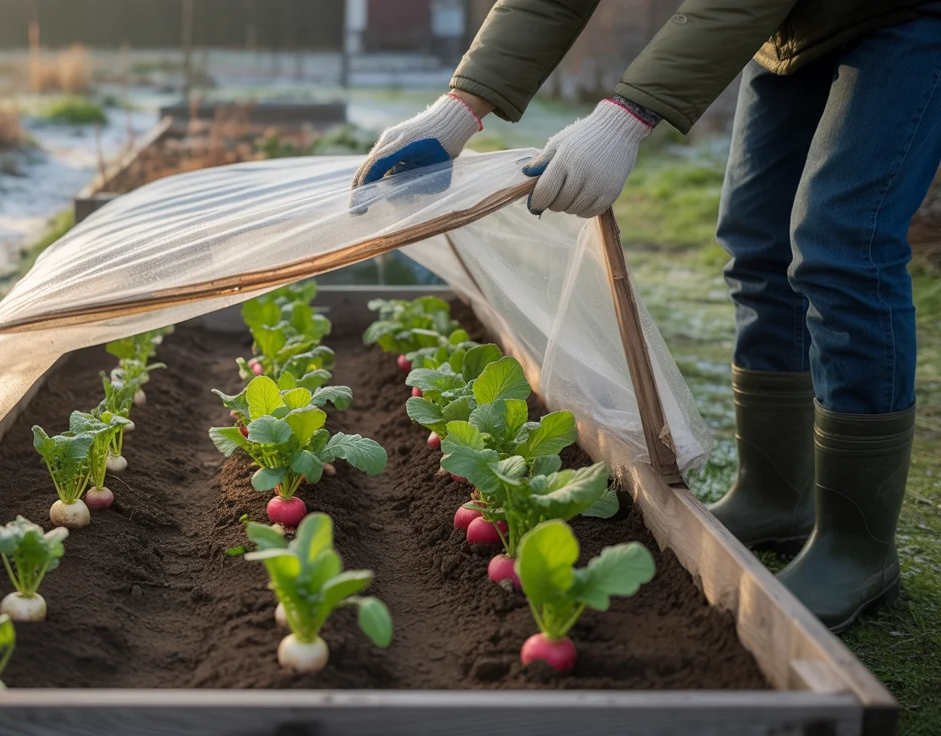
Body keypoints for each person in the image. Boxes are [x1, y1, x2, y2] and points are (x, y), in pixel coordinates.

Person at [354, 1, 941, 632]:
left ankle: (858, 548)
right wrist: (459, 108)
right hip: (791, 28)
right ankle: (776, 496)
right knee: (757, 240)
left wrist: (625, 118)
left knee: (841, 244)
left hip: (903, 16)